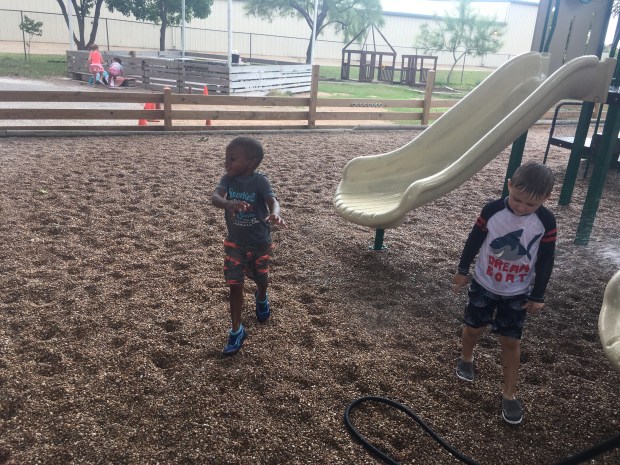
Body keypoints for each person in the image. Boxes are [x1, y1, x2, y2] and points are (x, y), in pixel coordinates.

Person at [451, 162, 557, 425]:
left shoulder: (546, 221)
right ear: (509, 185)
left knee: (511, 342)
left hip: (517, 292)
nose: (521, 208)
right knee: (473, 328)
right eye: (517, 199)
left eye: (531, 204)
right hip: (484, 283)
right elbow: (474, 239)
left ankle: (509, 393)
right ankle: (466, 357)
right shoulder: (492, 210)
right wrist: (463, 269)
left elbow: (546, 259)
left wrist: (538, 295)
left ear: (546, 198)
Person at [212, 136, 285, 355]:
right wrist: (229, 203)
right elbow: (215, 198)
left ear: (250, 163)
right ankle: (236, 330)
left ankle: (261, 297)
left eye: (232, 159)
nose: (226, 163)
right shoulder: (228, 179)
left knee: (261, 278)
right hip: (235, 243)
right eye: (226, 158)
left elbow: (273, 201)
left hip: (260, 243)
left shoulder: (260, 181)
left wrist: (275, 214)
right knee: (235, 284)